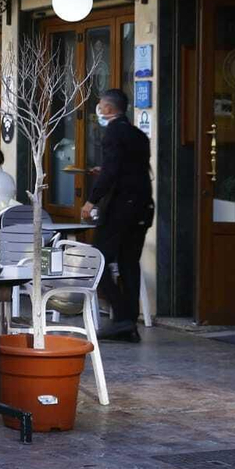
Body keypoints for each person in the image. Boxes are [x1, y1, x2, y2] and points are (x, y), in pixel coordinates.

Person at [81, 88, 153, 342]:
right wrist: (106, 172)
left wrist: (91, 200)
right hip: (142, 207)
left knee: (97, 261)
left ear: (108, 109)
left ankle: (122, 318)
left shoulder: (113, 132)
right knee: (129, 264)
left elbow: (112, 171)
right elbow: (132, 169)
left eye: (100, 104)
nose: (98, 109)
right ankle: (129, 323)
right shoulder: (138, 135)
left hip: (121, 208)